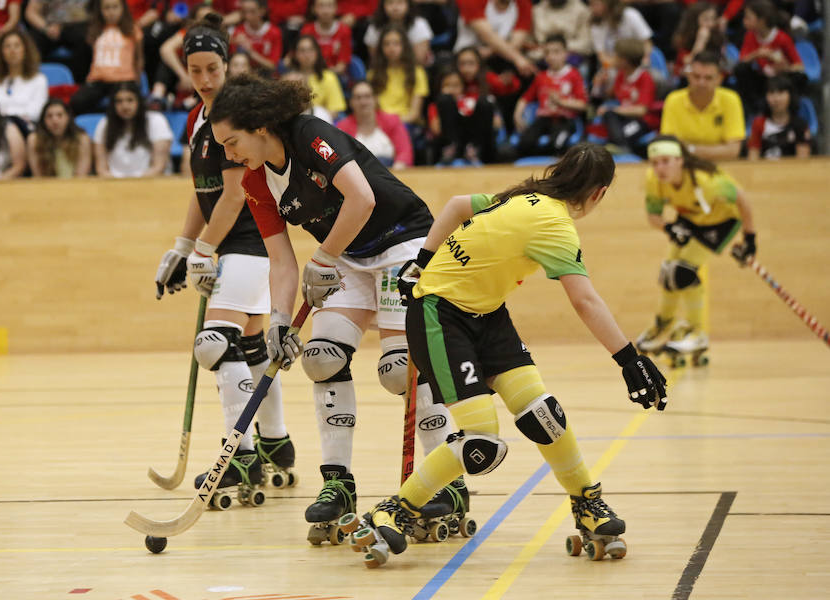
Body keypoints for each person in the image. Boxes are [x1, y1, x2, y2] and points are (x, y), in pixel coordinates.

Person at [346, 143, 668, 568]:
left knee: (543, 413)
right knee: (482, 441)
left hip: (487, 315)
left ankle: (588, 503)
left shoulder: (519, 197)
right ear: (599, 194)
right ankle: (393, 511)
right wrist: (630, 360)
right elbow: (585, 302)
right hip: (439, 315)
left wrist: (422, 259)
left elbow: (458, 205)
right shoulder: (555, 224)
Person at [207, 73, 459, 543]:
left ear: (260, 126)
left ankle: (448, 480)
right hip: (346, 256)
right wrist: (279, 322)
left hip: (401, 244)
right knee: (321, 358)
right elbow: (281, 260)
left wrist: (322, 259)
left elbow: (361, 198)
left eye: (232, 141)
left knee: (398, 368)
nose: (229, 154)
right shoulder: (256, 182)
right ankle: (338, 484)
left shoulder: (310, 134)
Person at [153, 13, 298, 499]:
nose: (204, 80)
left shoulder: (234, 114)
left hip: (253, 239)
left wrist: (204, 248)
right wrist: (182, 246)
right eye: (194, 70)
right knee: (250, 351)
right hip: (228, 243)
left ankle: (240, 459)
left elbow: (235, 194)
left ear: (228, 63)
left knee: (214, 343)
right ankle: (276, 445)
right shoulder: (197, 119)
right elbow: (204, 190)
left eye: (212, 68)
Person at [637, 135, 757, 360]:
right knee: (668, 273)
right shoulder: (654, 180)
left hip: (722, 221)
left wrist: (750, 238)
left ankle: (696, 332)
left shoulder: (706, 181)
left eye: (666, 161)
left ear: (680, 160)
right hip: (691, 217)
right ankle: (663, 326)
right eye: (655, 162)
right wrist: (669, 228)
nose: (659, 168)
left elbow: (743, 199)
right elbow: (653, 216)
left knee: (683, 272)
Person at [660, 50, 745, 161]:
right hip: (684, 166)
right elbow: (669, 148)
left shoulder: (731, 99)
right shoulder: (673, 100)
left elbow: (733, 151)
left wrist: (690, 149)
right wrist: (718, 150)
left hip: (721, 166)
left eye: (708, 78)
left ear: (719, 79)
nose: (701, 83)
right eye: (696, 77)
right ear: (688, 76)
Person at [513, 34, 587, 157]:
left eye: (556, 52)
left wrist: (561, 102)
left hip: (565, 120)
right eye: (547, 52)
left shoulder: (574, 74)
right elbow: (525, 98)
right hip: (544, 119)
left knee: (557, 144)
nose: (551, 57)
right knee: (524, 143)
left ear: (566, 53)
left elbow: (582, 105)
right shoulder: (541, 77)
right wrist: (517, 115)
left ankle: (555, 167)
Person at [70, 0, 144, 115]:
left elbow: (138, 58)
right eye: (107, 8)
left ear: (123, 8)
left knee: (127, 105)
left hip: (124, 79)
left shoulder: (133, 30)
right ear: (100, 10)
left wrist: (137, 80)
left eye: (115, 7)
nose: (111, 12)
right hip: (97, 80)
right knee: (76, 102)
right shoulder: (94, 30)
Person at [733, 0, 805, 117]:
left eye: (748, 17)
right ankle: (753, 109)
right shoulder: (750, 35)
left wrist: (784, 67)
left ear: (761, 21)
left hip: (780, 78)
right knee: (741, 70)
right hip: (762, 79)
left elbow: (799, 66)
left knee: (800, 77)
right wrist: (757, 54)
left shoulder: (782, 38)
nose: (744, 21)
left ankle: (791, 111)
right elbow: (742, 60)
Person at [92, 82, 172, 177]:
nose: (125, 106)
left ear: (139, 101)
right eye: (119, 101)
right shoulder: (104, 124)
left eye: (130, 100)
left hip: (150, 182)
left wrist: (134, 186)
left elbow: (159, 167)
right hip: (113, 183)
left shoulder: (156, 121)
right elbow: (101, 169)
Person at [596, 38, 658, 157]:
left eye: (616, 56)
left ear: (625, 61)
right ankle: (619, 146)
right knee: (608, 115)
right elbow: (611, 94)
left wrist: (613, 110)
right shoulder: (621, 75)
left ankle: (621, 147)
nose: (613, 59)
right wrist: (602, 83)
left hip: (642, 121)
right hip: (624, 118)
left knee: (614, 124)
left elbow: (641, 110)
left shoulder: (645, 78)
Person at [335, 80, 413, 169]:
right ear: (351, 102)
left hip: (391, 173)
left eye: (367, 96)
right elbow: (340, 160)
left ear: (375, 99)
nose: (363, 102)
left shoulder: (392, 121)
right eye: (358, 97)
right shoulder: (343, 127)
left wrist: (396, 172)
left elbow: (404, 152)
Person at [0, 29, 49, 134]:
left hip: (26, 129)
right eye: (7, 46)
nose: (12, 50)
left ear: (25, 50)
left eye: (17, 46)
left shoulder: (39, 80)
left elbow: (37, 111)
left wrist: (8, 116)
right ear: (1, 52)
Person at [428, 66, 496, 165]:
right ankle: (451, 148)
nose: (452, 90)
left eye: (456, 85)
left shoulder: (472, 101)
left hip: (474, 139)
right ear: (440, 88)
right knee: (445, 100)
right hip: (449, 140)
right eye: (447, 85)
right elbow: (436, 130)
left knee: (485, 103)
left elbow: (496, 124)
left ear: (463, 87)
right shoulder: (435, 105)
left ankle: (473, 150)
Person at [452, 0, 536, 78]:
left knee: (526, 72)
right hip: (466, 52)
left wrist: (491, 51)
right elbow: (486, 35)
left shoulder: (523, 3)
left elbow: (517, 42)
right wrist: (518, 59)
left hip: (499, 56)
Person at [368, 24, 429, 126]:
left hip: (405, 123)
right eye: (386, 44)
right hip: (379, 123)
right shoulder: (373, 74)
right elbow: (372, 109)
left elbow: (414, 114)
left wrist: (392, 123)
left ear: (405, 46)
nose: (391, 48)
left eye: (396, 43)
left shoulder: (417, 72)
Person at [24, 0, 93, 83]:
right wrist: (46, 28)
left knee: (85, 40)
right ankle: (30, 81)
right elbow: (31, 12)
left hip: (81, 25)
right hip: (49, 25)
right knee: (31, 42)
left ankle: (80, 84)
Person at [747, 75, 811, 160]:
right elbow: (753, 158)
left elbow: (803, 160)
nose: (776, 99)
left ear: (790, 95)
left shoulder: (800, 125)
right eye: (771, 93)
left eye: (781, 92)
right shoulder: (759, 123)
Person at [287, 34, 347, 121]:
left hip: (321, 123)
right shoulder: (290, 79)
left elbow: (334, 111)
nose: (307, 55)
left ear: (317, 52)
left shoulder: (329, 77)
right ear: (295, 54)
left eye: (310, 50)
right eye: (302, 50)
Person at [27, 98, 92, 177]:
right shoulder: (34, 140)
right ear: (43, 120)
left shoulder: (82, 139)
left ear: (68, 117)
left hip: (76, 186)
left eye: (60, 115)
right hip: (45, 187)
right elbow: (39, 177)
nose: (55, 121)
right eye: (49, 116)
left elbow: (81, 176)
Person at [364, 0, 433, 66]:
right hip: (383, 71)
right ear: (382, 6)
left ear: (408, 4)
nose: (395, 7)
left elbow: (419, 59)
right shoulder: (374, 26)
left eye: (400, 2)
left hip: (413, 70)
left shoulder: (419, 24)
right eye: (390, 2)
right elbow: (375, 58)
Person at [672, 2, 725, 80]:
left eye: (713, 19)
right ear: (694, 20)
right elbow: (687, 64)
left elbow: (719, 63)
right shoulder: (684, 38)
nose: (710, 23)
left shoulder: (717, 37)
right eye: (706, 19)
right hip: (687, 77)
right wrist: (700, 41)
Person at [300, 0, 352, 77]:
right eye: (321, 6)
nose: (325, 11)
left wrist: (324, 75)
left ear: (336, 8)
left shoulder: (344, 30)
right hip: (309, 74)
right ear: (314, 9)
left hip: (335, 76)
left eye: (329, 6)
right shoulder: (306, 30)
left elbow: (342, 67)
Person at [230, 0, 283, 74]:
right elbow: (233, 61)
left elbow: (273, 66)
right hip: (243, 73)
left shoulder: (274, 32)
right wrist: (233, 41)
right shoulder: (239, 30)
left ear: (262, 11)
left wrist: (250, 51)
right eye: (245, 12)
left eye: (252, 11)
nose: (247, 16)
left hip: (265, 74)